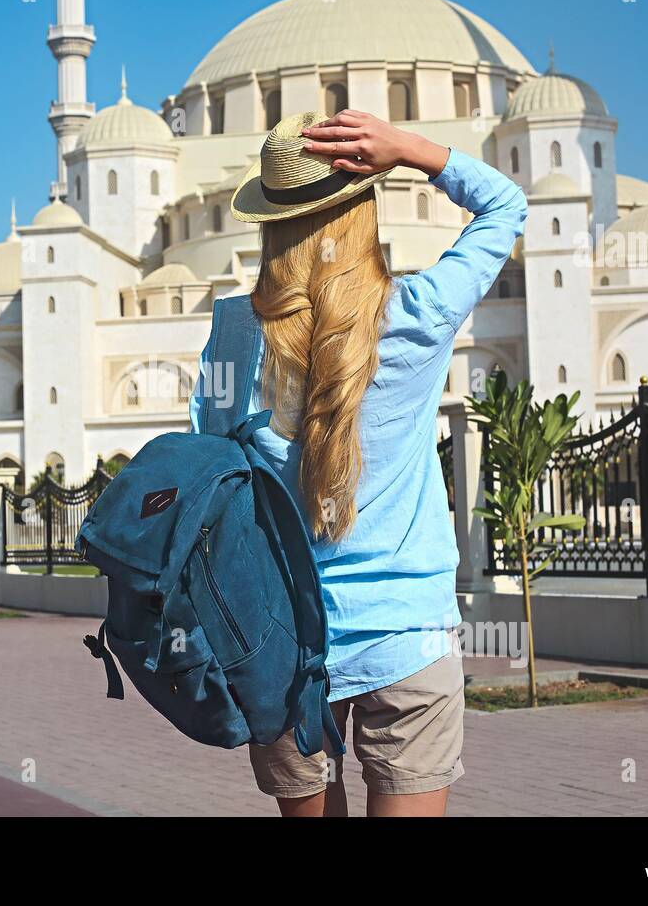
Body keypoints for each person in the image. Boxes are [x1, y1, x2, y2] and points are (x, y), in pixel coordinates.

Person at [187, 108, 527, 816]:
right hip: (408, 635)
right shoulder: (417, 313)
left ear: (268, 223)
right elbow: (505, 205)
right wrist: (409, 150)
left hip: (281, 648)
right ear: (362, 210)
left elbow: (215, 468)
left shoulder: (234, 335)